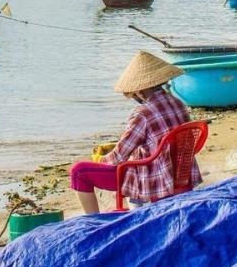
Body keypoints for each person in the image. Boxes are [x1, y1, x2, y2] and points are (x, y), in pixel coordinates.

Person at [68, 51, 200, 215]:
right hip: (182, 173)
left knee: (79, 171)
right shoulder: (178, 103)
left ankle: (93, 220)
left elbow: (117, 158)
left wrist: (100, 159)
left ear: (139, 91)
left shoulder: (143, 113)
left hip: (154, 180)